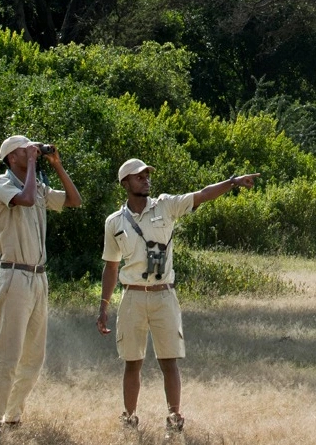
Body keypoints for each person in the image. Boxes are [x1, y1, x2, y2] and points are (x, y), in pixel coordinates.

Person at [96, 158, 261, 432]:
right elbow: (111, 266)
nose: (146, 179)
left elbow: (204, 194)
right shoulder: (114, 222)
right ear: (125, 183)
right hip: (132, 296)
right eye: (139, 176)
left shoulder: (165, 205)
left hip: (164, 296)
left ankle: (174, 416)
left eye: (147, 174)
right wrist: (103, 306)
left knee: (168, 360)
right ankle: (129, 416)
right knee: (132, 361)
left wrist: (232, 182)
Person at [0, 135, 82, 429]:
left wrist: (57, 165)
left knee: (34, 355)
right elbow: (23, 200)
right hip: (14, 273)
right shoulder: (0, 184)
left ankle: (12, 414)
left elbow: (74, 200)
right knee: (9, 352)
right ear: (12, 157)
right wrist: (33, 166)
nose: (34, 152)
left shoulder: (37, 186)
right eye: (27, 150)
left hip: (39, 276)